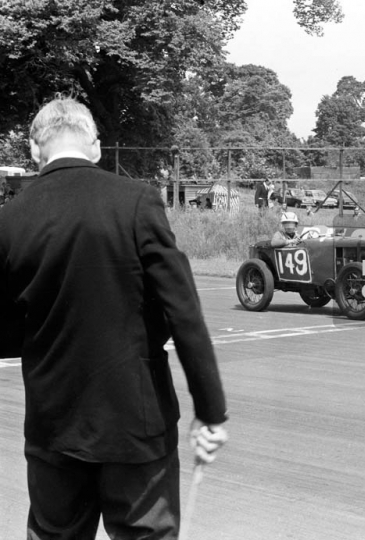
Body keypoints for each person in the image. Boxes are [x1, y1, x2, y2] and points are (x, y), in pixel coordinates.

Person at [0, 96, 228, 539]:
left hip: (53, 426)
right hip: (136, 424)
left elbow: (4, 335)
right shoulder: (137, 202)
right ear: (97, 147)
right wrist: (210, 410)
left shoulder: (9, 221)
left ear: (33, 150)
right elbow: (184, 314)